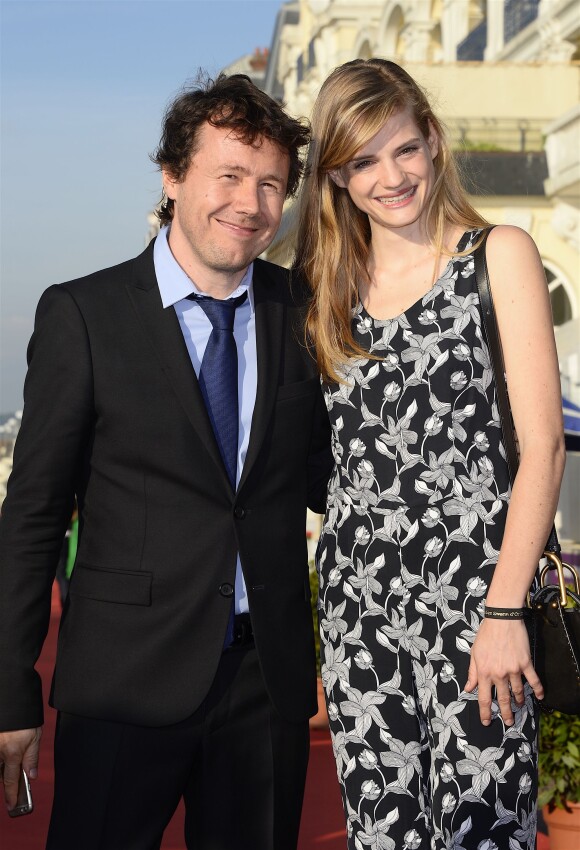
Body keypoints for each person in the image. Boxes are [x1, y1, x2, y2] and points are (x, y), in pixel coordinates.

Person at [0, 73, 332, 850]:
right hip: (123, 682)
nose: (249, 204)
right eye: (228, 175)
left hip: (264, 685)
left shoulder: (304, 312)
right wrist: (12, 689)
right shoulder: (83, 314)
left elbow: (331, 477)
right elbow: (34, 515)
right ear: (173, 176)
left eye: (271, 184)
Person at [294, 58, 565, 849]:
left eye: (403, 149)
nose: (391, 176)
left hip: (480, 602)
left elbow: (543, 449)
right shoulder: (322, 292)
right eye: (363, 162)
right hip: (361, 615)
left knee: (486, 830)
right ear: (338, 179)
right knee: (383, 836)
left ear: (434, 142)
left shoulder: (499, 255)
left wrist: (506, 611)